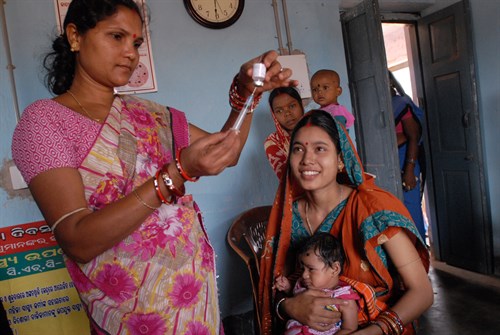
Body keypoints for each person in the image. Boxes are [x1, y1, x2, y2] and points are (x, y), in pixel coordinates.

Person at [10, 1, 296, 334]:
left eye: (136, 43)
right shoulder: (44, 122)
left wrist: (246, 96)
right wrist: (176, 174)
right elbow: (77, 239)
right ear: (75, 36)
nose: (130, 53)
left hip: (195, 306)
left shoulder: (150, 113)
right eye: (116, 36)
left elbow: (225, 153)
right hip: (132, 316)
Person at [258, 110, 433, 335]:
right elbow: (276, 289)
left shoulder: (373, 210)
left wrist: (370, 332)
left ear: (341, 159)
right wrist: (289, 306)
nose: (306, 159)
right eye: (298, 149)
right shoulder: (287, 216)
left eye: (320, 149)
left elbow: (422, 292)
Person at [274, 233, 359, 335]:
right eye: (303, 268)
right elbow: (295, 296)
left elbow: (350, 329)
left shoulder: (344, 299)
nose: (304, 275)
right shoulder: (302, 283)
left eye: (311, 269)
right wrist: (287, 287)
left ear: (334, 269)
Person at [389, 71, 426, 240]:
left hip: (406, 159)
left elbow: (413, 137)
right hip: (389, 162)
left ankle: (418, 255)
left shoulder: (401, 103)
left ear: (390, 82)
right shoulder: (378, 106)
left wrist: (409, 169)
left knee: (411, 210)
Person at [264, 87, 305, 180]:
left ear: (301, 105)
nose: (287, 113)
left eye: (292, 106)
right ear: (274, 115)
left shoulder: (318, 129)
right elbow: (287, 179)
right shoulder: (273, 142)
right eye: (279, 111)